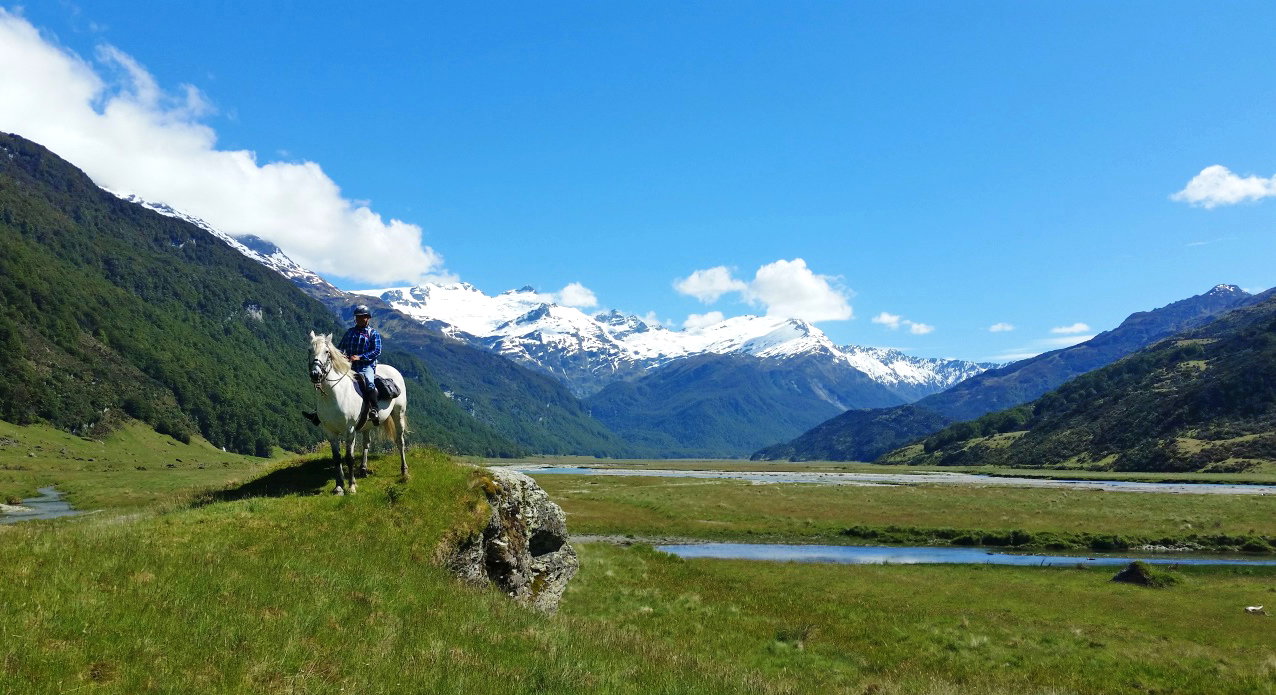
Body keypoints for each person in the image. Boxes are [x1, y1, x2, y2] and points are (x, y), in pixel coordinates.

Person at [338, 304, 383, 420]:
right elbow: (341, 347)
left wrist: (360, 357)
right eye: (357, 317)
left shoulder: (373, 333)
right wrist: (341, 356)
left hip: (366, 365)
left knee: (369, 382)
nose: (359, 319)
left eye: (362, 317)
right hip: (349, 365)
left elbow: (377, 351)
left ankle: (374, 409)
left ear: (368, 318)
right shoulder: (349, 332)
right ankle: (320, 412)